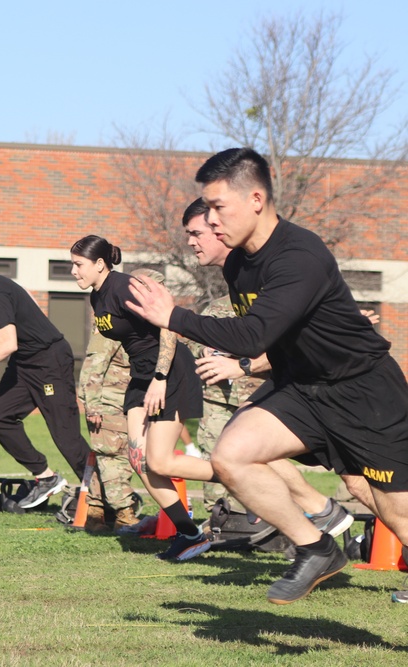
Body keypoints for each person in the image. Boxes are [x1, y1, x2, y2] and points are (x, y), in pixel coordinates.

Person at [127, 147, 408, 604]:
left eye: (219, 207)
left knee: (395, 513)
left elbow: (251, 332)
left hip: (363, 392)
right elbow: (270, 340)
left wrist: (172, 317)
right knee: (230, 456)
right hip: (303, 388)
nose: (211, 219)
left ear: (256, 199)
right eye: (208, 207)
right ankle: (316, 549)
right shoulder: (239, 264)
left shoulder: (300, 255)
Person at [181, 197, 356, 547]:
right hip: (292, 389)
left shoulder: (271, 269)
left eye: (198, 232)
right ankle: (315, 531)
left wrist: (241, 364)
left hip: (335, 387)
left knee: (365, 483)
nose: (191, 241)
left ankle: (322, 518)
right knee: (240, 448)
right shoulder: (237, 276)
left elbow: (293, 338)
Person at [70, 236, 209, 561]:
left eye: (78, 264)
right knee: (140, 460)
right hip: (141, 376)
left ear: (100, 264)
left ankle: (237, 473)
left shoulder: (125, 288)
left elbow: (168, 326)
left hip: (168, 373)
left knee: (160, 460)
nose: (73, 271)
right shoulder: (97, 296)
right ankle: (189, 533)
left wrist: (160, 378)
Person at [0, 249, 91, 509]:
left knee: (65, 434)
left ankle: (103, 492)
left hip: (49, 361)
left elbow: (7, 344)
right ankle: (46, 478)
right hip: (25, 363)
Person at [72, 324, 139, 533]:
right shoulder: (110, 326)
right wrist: (93, 407)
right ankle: (124, 514)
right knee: (114, 457)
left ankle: (95, 514)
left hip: (126, 401)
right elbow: (93, 367)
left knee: (108, 458)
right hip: (107, 402)